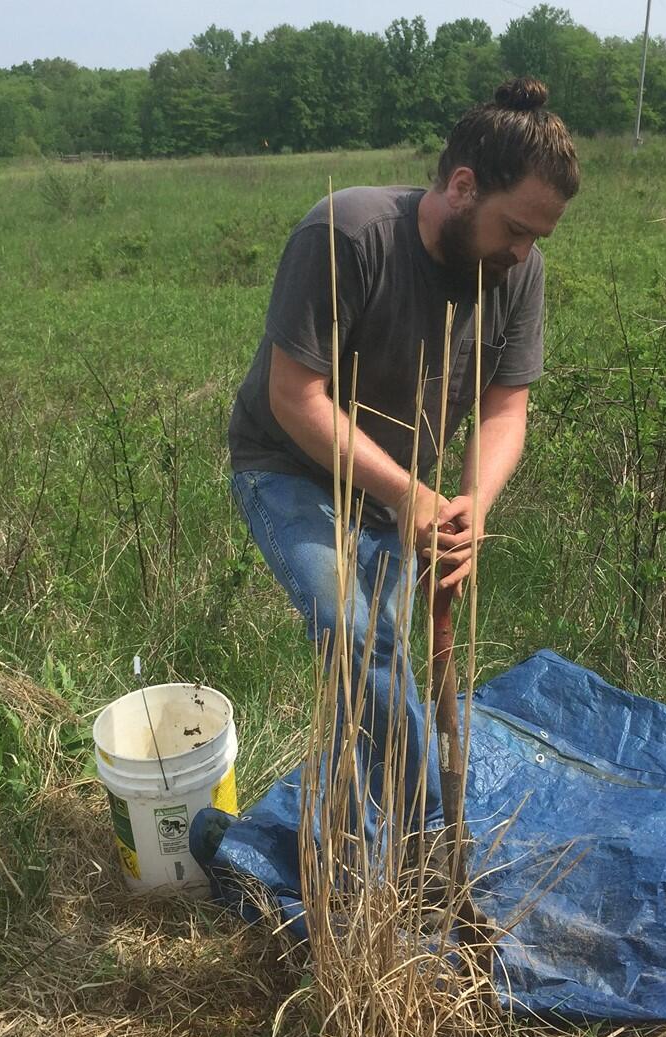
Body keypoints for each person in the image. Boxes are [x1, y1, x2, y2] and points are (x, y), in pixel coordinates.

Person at [228, 78, 579, 848]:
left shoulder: (516, 273)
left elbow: (504, 409)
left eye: (537, 239)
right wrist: (406, 490)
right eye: (515, 228)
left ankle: (348, 841)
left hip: (398, 488)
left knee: (373, 682)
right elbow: (297, 396)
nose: (523, 252)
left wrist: (471, 501)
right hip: (290, 467)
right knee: (360, 637)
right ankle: (430, 849)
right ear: (462, 187)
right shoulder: (349, 235)